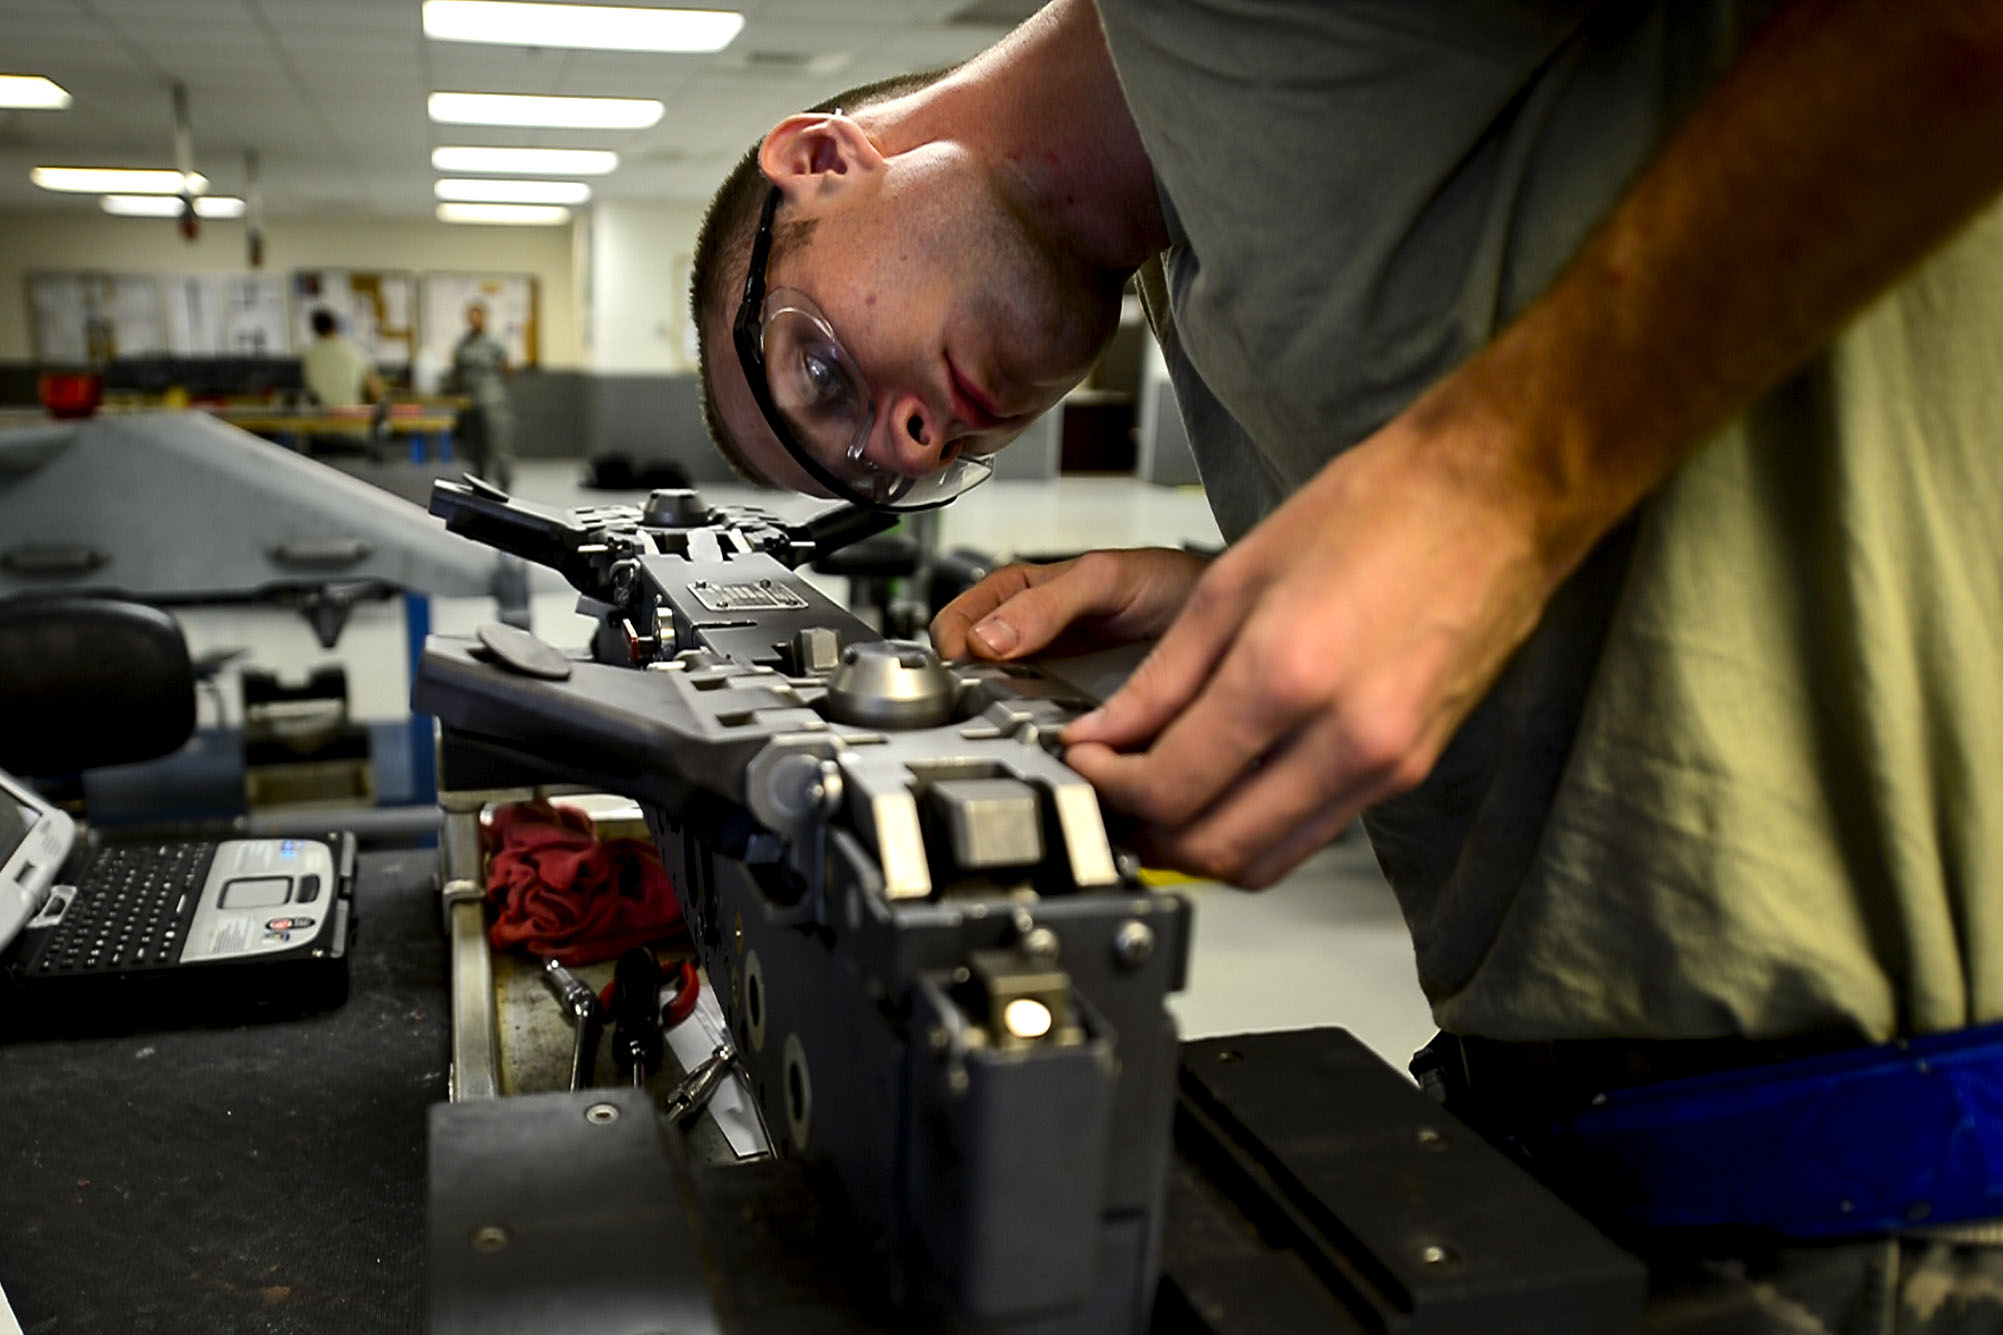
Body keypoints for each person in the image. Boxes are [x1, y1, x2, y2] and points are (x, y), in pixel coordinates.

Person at [690, 1, 2003, 1325]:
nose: (908, 442)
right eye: (872, 469)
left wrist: (1494, 475)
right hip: (1607, 1182)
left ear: (818, 154)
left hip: (1903, 1181)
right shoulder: (1190, 277)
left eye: (819, 366)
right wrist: (1213, 593)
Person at [450, 301, 514, 491]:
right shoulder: (462, 343)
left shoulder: (496, 341)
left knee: (499, 446)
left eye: (478, 315)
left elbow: (508, 367)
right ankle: (479, 485)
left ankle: (505, 486)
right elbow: (457, 370)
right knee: (474, 448)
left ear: (485, 317)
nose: (475, 319)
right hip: (470, 401)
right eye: (471, 315)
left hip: (493, 400)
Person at [300, 307, 382, 410]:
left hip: (321, 421)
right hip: (353, 420)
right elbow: (375, 391)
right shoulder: (354, 351)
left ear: (314, 329)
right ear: (334, 326)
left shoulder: (308, 355)